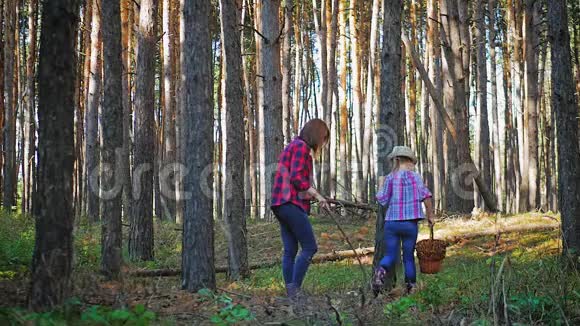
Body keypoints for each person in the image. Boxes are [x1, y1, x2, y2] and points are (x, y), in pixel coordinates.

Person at [271, 119, 331, 298]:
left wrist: (313, 197)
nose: (322, 143)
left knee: (290, 250)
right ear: (317, 135)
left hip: (281, 203)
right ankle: (295, 291)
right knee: (310, 247)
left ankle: (290, 293)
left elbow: (293, 180)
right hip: (289, 203)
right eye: (323, 139)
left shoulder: (293, 146)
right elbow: (297, 178)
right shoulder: (301, 147)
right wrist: (317, 195)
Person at [372, 145, 435, 294]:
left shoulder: (389, 178)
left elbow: (382, 199)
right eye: (411, 162)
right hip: (410, 224)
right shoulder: (416, 177)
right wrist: (430, 216)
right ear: (407, 161)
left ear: (396, 160)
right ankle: (411, 288)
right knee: (408, 257)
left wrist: (380, 185)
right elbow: (426, 196)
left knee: (389, 255)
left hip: (392, 223)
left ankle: (380, 273)